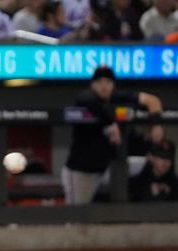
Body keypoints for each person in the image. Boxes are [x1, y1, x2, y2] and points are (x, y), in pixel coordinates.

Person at [62, 66, 163, 204]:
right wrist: (111, 124)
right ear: (92, 84)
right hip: (81, 169)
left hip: (105, 166)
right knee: (77, 213)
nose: (104, 86)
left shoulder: (118, 97)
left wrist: (156, 124)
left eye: (108, 82)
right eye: (99, 82)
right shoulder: (87, 98)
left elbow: (152, 100)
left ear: (113, 85)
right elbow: (85, 100)